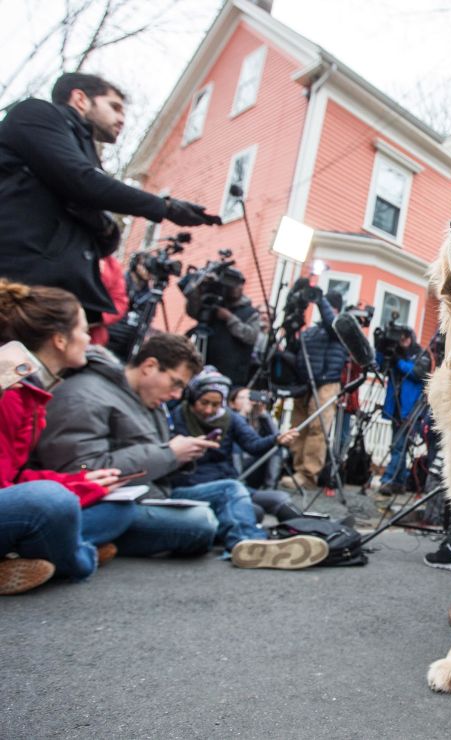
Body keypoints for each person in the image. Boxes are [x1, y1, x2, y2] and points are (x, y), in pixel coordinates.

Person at [34, 333, 321, 568]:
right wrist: (171, 453)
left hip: (153, 492)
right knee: (201, 523)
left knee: (232, 489)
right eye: (176, 383)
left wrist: (182, 455)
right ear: (149, 366)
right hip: (115, 503)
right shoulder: (86, 394)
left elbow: (154, 456)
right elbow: (80, 471)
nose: (175, 394)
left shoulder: (148, 401)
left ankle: (247, 543)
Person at [0, 72, 219, 323]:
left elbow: (102, 224)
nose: (121, 119)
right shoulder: (36, 115)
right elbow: (80, 181)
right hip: (17, 281)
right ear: (80, 99)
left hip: (59, 294)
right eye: (114, 107)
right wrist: (163, 207)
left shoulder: (87, 154)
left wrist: (101, 220)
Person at [0, 279, 135, 588]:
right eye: (85, 330)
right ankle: (79, 557)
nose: (91, 340)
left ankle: (30, 557)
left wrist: (81, 481)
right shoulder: (11, 389)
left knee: (120, 508)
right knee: (53, 502)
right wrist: (71, 490)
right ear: (60, 340)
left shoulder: (32, 389)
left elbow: (13, 477)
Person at [170, 368, 303, 524]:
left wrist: (276, 439)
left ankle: (307, 535)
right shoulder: (177, 416)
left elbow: (253, 444)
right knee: (254, 512)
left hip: (229, 482)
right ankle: (245, 540)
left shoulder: (229, 418)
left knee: (281, 500)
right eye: (204, 403)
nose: (209, 410)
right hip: (193, 486)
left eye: (216, 404)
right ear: (193, 398)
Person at [284, 290, 347, 489]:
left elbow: (332, 325)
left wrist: (320, 301)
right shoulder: (311, 331)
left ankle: (309, 474)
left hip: (327, 382)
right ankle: (298, 469)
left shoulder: (340, 326)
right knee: (299, 426)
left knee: (317, 428)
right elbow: (294, 349)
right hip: (305, 384)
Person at [376, 327, 427, 496]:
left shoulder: (420, 354)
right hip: (396, 408)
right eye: (400, 339)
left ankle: (388, 480)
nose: (403, 342)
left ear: (411, 338)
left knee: (398, 446)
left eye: (405, 339)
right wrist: (381, 347)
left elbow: (418, 373)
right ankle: (400, 482)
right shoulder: (395, 354)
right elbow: (379, 367)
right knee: (400, 447)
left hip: (411, 409)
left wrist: (398, 362)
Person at [194, 268, 260, 387]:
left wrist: (230, 318)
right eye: (231, 285)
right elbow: (193, 312)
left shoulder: (251, 313)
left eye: (238, 285)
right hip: (207, 366)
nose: (235, 288)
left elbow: (251, 337)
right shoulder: (214, 305)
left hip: (233, 375)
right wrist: (199, 290)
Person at [229, 386, 283, 490]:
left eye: (250, 397)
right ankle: (238, 486)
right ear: (232, 403)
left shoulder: (259, 419)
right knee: (234, 445)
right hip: (235, 466)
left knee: (275, 448)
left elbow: (279, 438)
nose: (248, 401)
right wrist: (242, 413)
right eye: (243, 397)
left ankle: (270, 489)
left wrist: (263, 413)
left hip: (256, 465)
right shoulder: (230, 418)